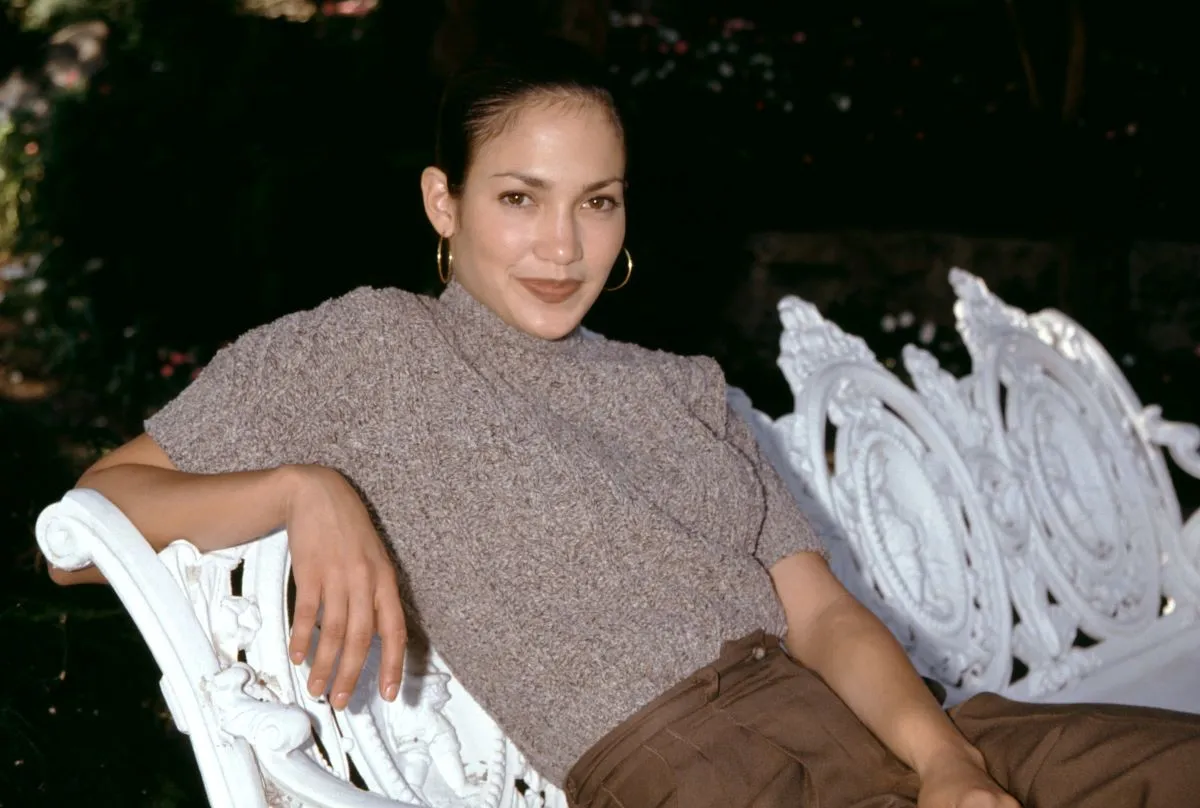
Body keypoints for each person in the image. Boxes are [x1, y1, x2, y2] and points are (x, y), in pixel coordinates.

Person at [49, 35, 1199, 808]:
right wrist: (307, 490)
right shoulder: (369, 346)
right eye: (520, 199)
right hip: (699, 768)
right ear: (441, 201)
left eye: (597, 202)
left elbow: (825, 614)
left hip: (895, 725)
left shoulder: (680, 386)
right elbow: (89, 519)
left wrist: (949, 764)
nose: (565, 247)